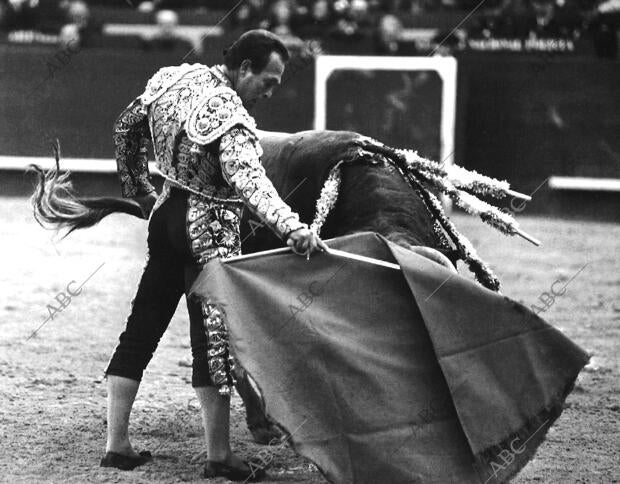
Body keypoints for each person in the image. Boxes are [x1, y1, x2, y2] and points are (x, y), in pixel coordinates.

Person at [100, 29, 326, 481]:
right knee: (213, 343)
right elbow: (251, 182)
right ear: (244, 68)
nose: (271, 90)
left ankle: (117, 445)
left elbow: (125, 128)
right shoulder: (232, 114)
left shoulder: (172, 79)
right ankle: (219, 457)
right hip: (209, 228)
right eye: (269, 80)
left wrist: (142, 191)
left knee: (141, 326)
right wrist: (293, 228)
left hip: (165, 216)